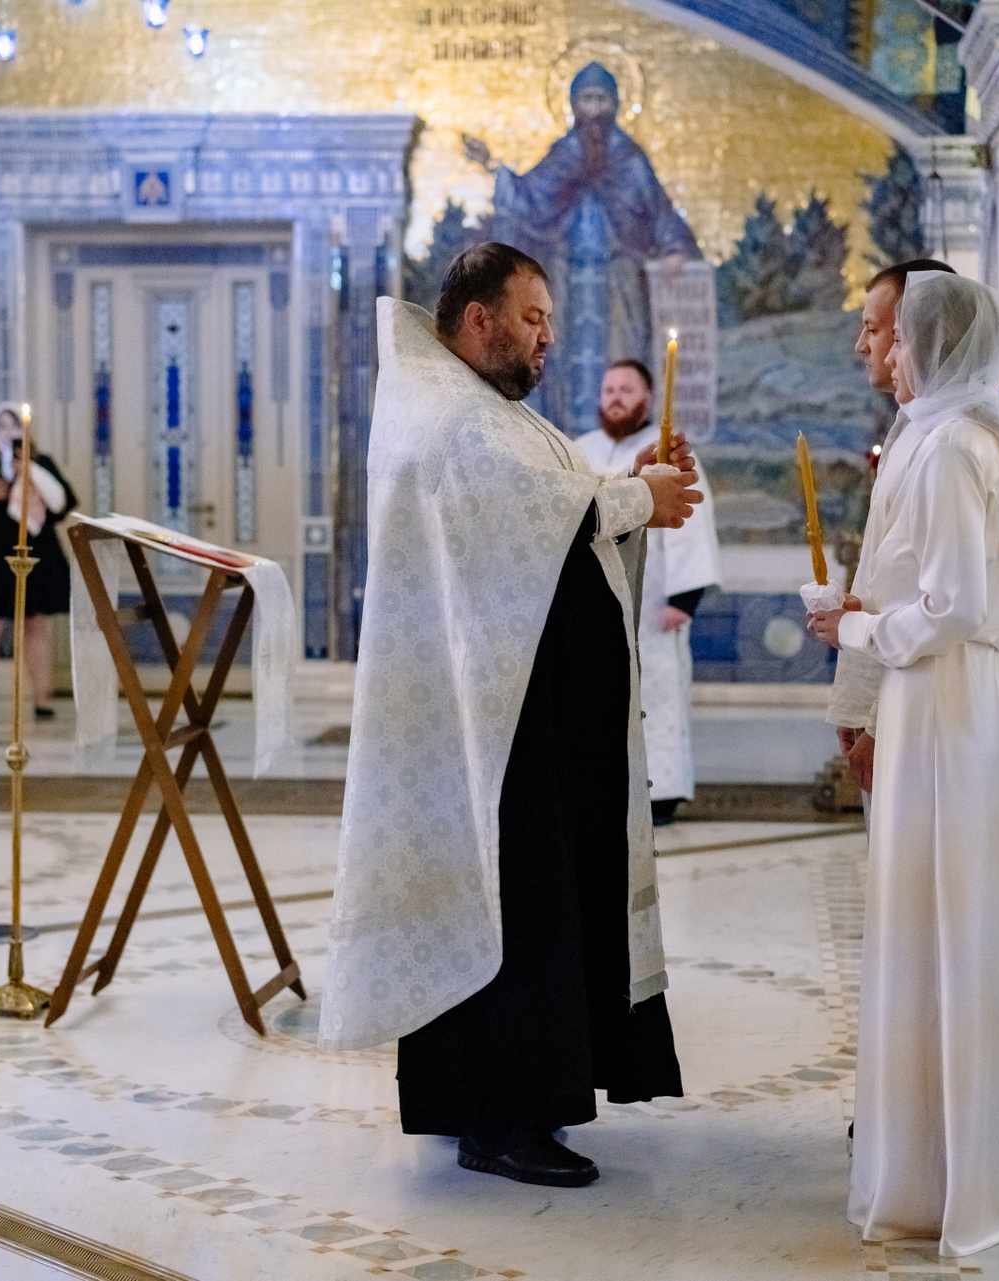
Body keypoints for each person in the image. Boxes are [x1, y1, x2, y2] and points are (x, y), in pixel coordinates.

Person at [321, 243, 701, 1188]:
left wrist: (632, 490)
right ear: (479, 318)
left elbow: (556, 516)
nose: (546, 338)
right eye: (532, 319)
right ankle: (500, 1118)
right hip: (492, 734)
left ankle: (517, 1101)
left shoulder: (487, 408)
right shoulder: (450, 413)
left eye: (550, 322)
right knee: (513, 903)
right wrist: (636, 497)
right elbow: (536, 511)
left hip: (521, 719)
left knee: (536, 902)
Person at [806, 272, 999, 1256]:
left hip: (940, 700)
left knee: (935, 926)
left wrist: (855, 627)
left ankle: (940, 1185)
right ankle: (933, 1170)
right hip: (940, 700)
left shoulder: (950, 449)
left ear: (935, 348)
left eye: (898, 338)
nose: (887, 354)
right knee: (930, 929)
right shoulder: (957, 437)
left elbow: (954, 606)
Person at [465, 62, 703, 435]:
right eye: (587, 100)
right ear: (574, 105)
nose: (594, 109)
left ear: (615, 104)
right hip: (566, 280)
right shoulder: (563, 155)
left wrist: (674, 247)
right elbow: (530, 200)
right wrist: (493, 167)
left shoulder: (630, 159)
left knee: (623, 352)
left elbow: (658, 210)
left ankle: (624, 437)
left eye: (601, 99)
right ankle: (568, 441)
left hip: (618, 278)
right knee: (562, 357)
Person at [826, 257, 956, 801]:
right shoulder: (913, 431)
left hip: (934, 695)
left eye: (877, 331)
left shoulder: (949, 446)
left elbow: (937, 598)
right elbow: (887, 575)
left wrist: (878, 721)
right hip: (899, 680)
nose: (863, 346)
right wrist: (859, 702)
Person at [575, 358, 721, 825]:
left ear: (647, 398)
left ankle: (661, 791)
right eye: (609, 390)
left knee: (656, 695)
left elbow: (689, 524)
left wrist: (683, 600)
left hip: (654, 605)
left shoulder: (664, 454)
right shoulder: (579, 451)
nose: (615, 398)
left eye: (626, 390)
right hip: (593, 604)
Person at [0, 404, 75, 720]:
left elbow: (62, 504)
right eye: (2, 425)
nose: (8, 432)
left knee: (34, 624)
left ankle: (43, 701)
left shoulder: (41, 463)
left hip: (34, 552)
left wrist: (30, 472)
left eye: (14, 425)